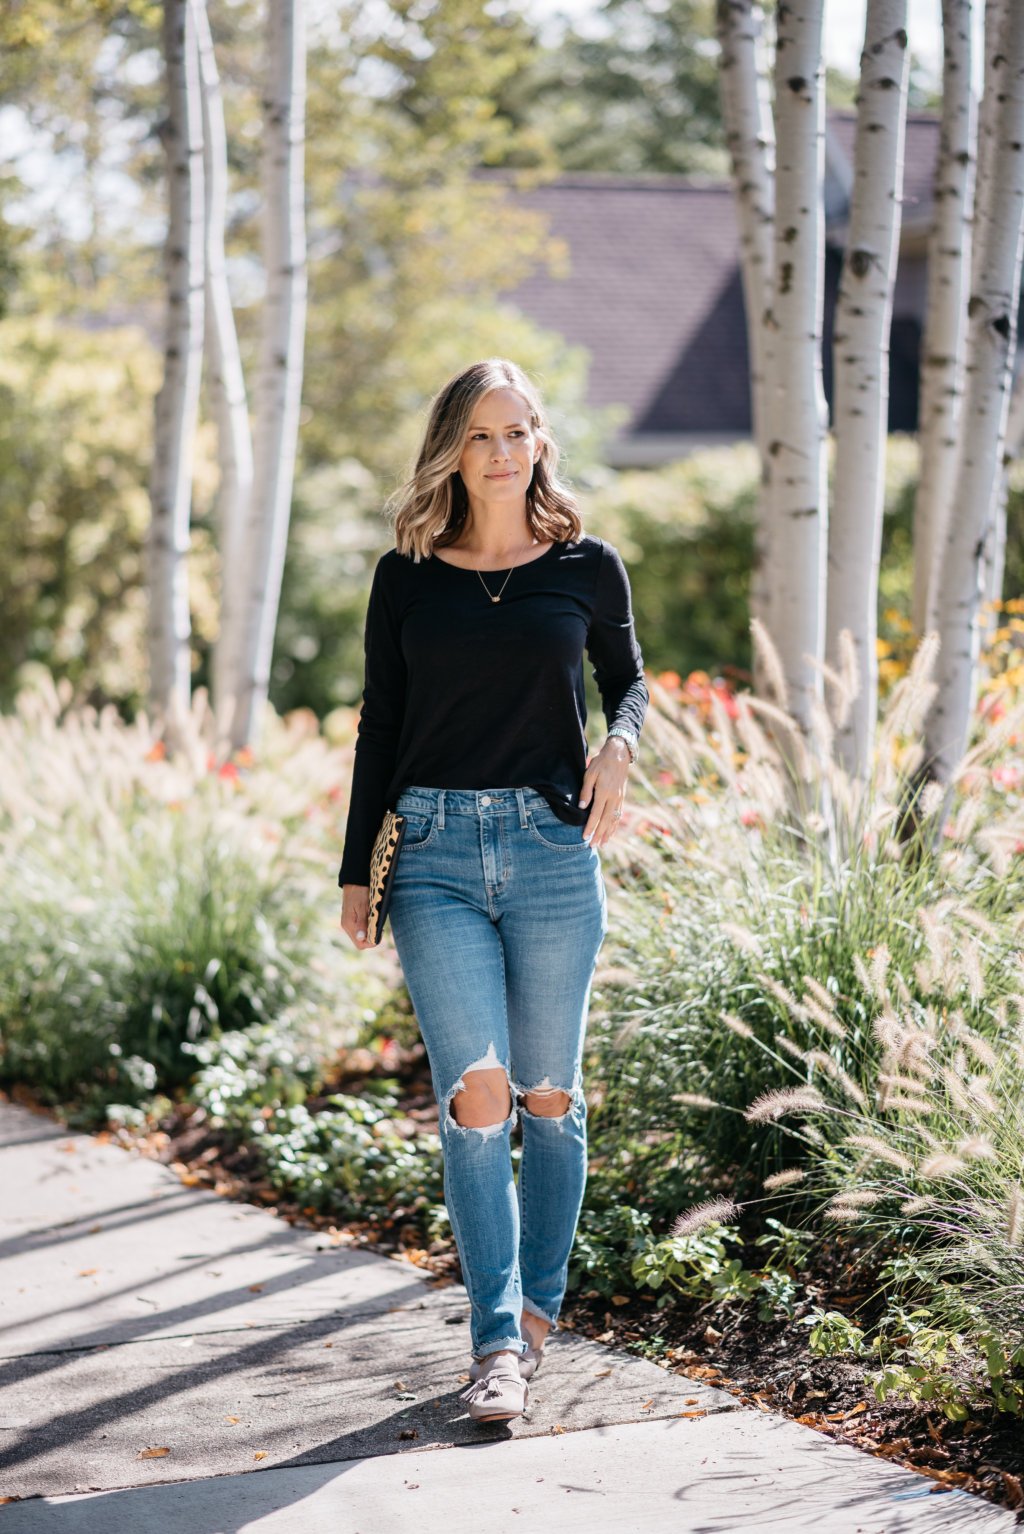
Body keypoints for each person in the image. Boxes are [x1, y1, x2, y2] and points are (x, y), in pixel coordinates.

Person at [338, 357, 648, 1424]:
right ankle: (494, 1343)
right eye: (481, 434)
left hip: (553, 851)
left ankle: (538, 1313)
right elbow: (381, 722)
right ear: (450, 451)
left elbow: (630, 679)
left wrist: (618, 744)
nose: (504, 450)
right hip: (429, 851)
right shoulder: (407, 576)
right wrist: (352, 870)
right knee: (477, 1096)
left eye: (519, 430)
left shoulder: (585, 564)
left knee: (548, 1099)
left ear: (540, 442)